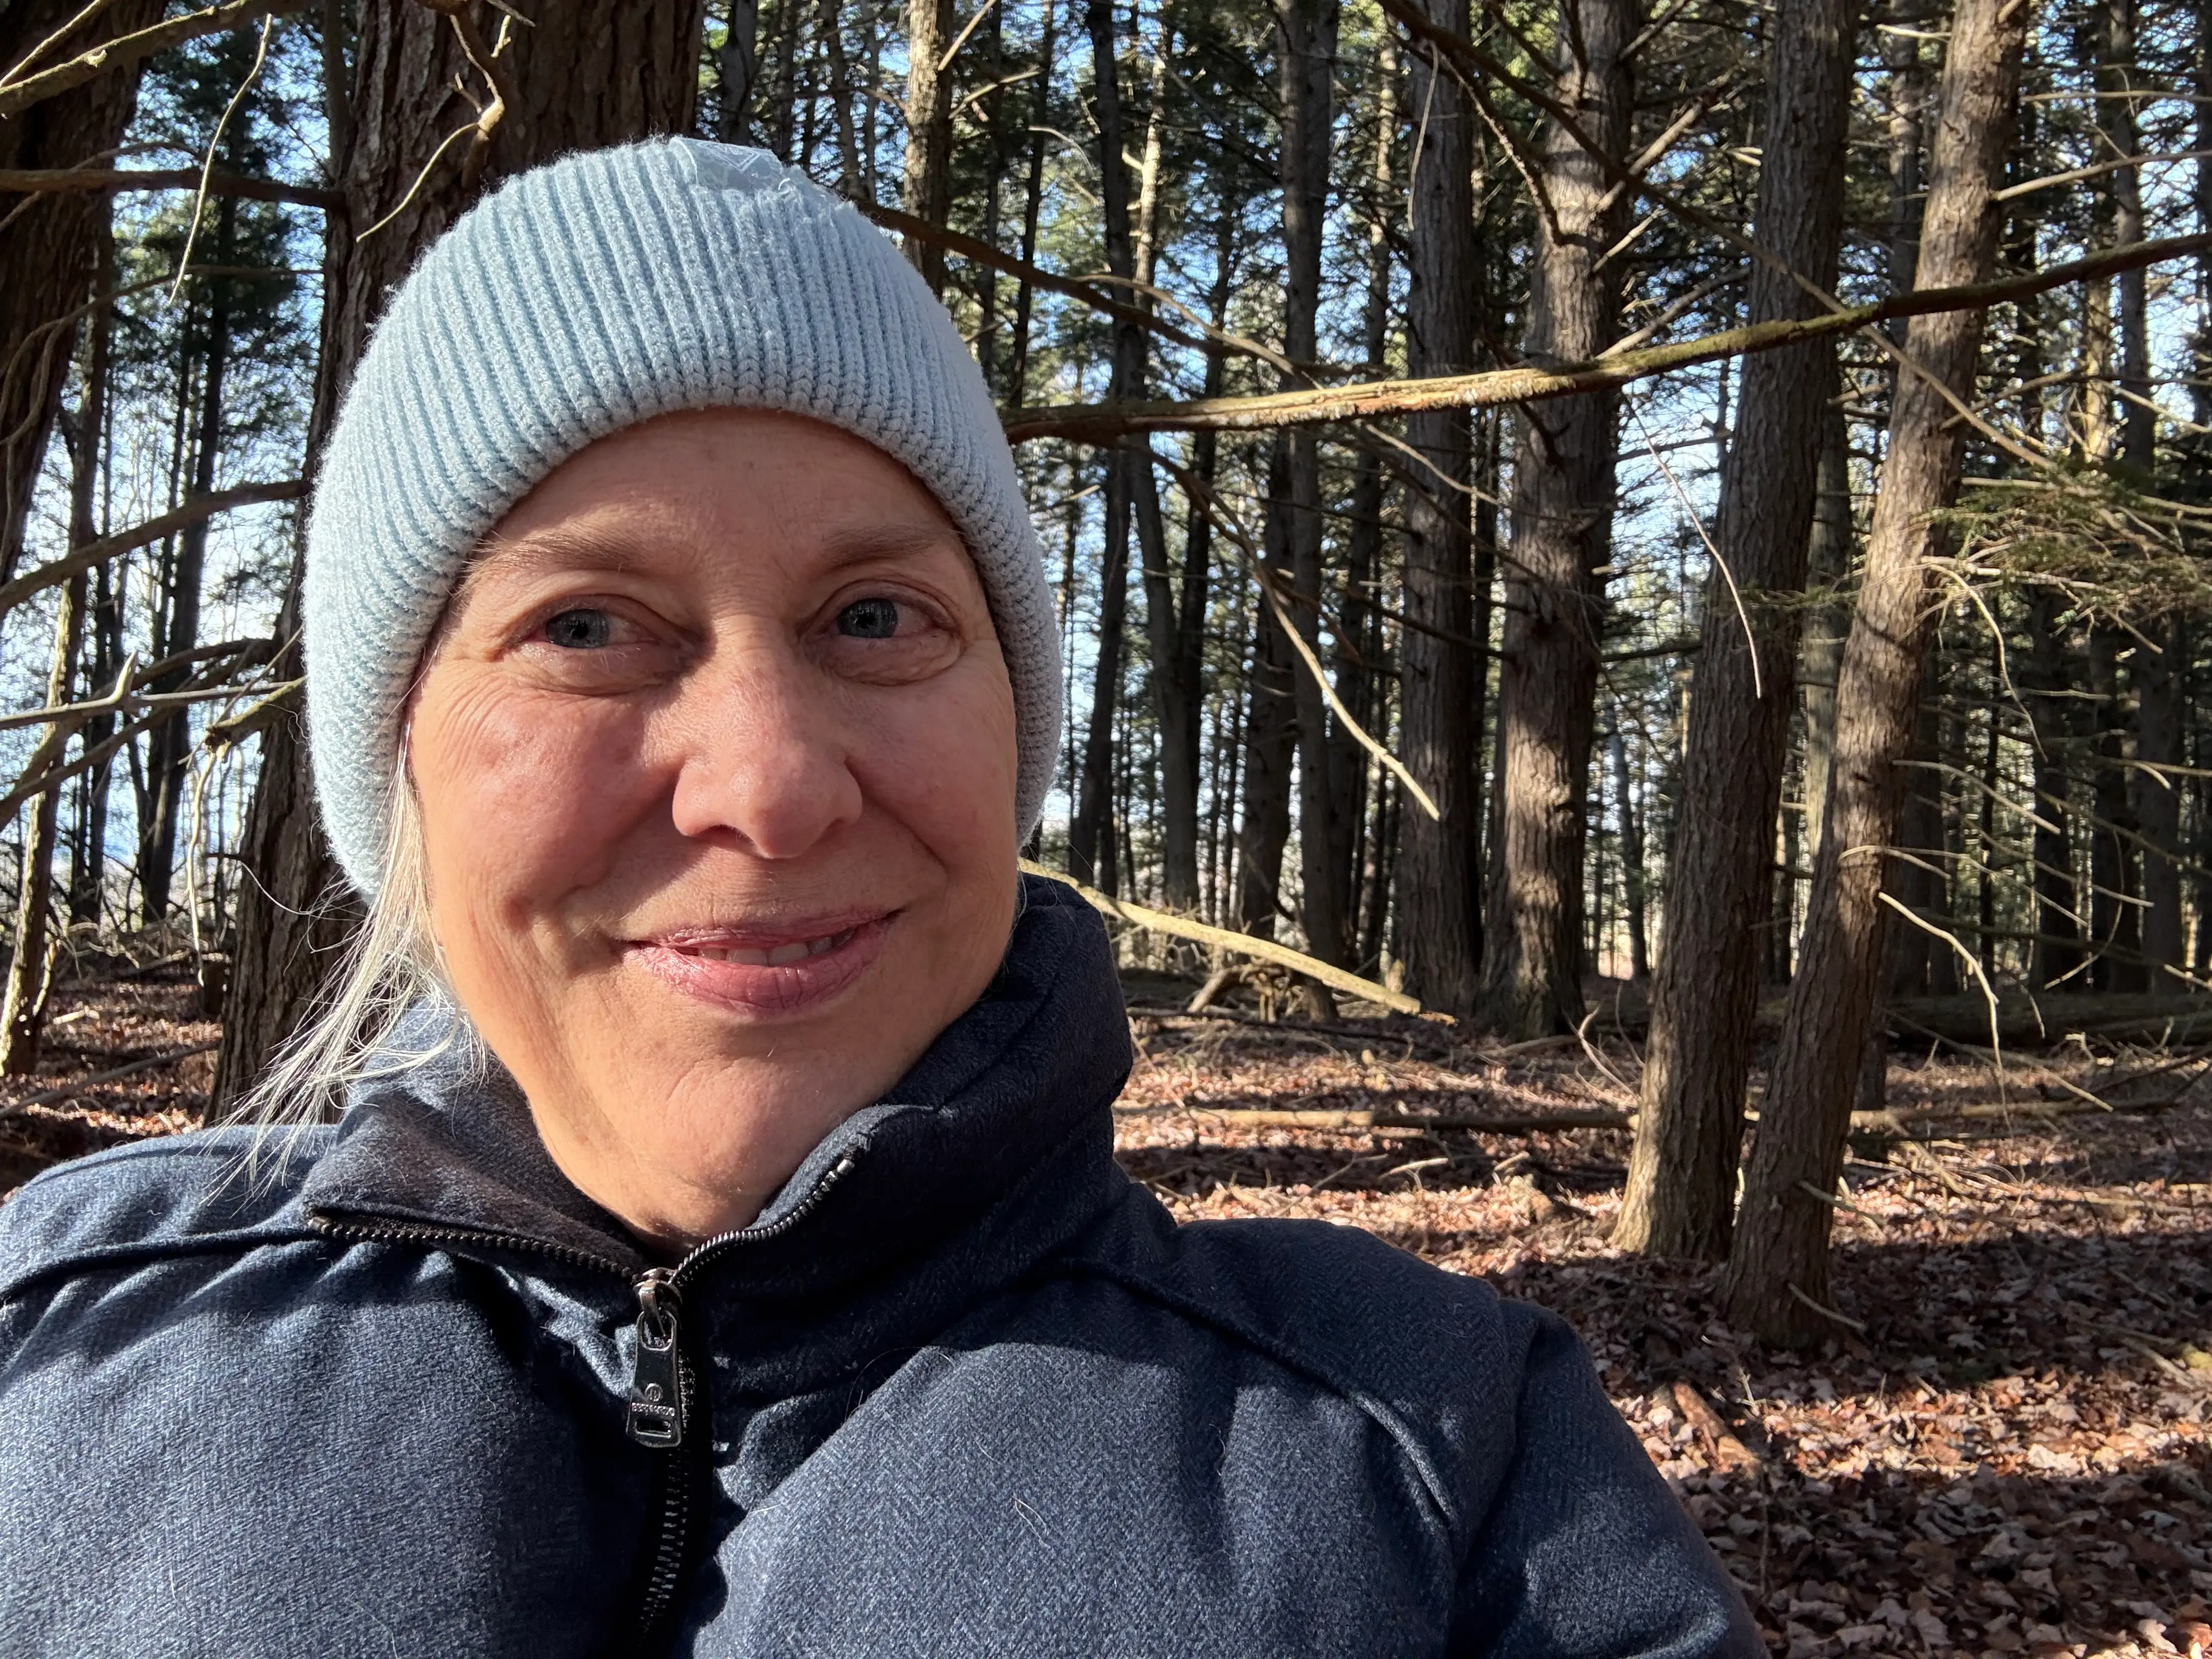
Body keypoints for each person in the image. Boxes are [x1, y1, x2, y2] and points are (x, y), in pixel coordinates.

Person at [0, 140, 1759, 1659]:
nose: (768, 785)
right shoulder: (47, 1347)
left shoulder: (1441, 1472)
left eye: (875, 618)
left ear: (1011, 722)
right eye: (587, 627)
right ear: (393, 754)